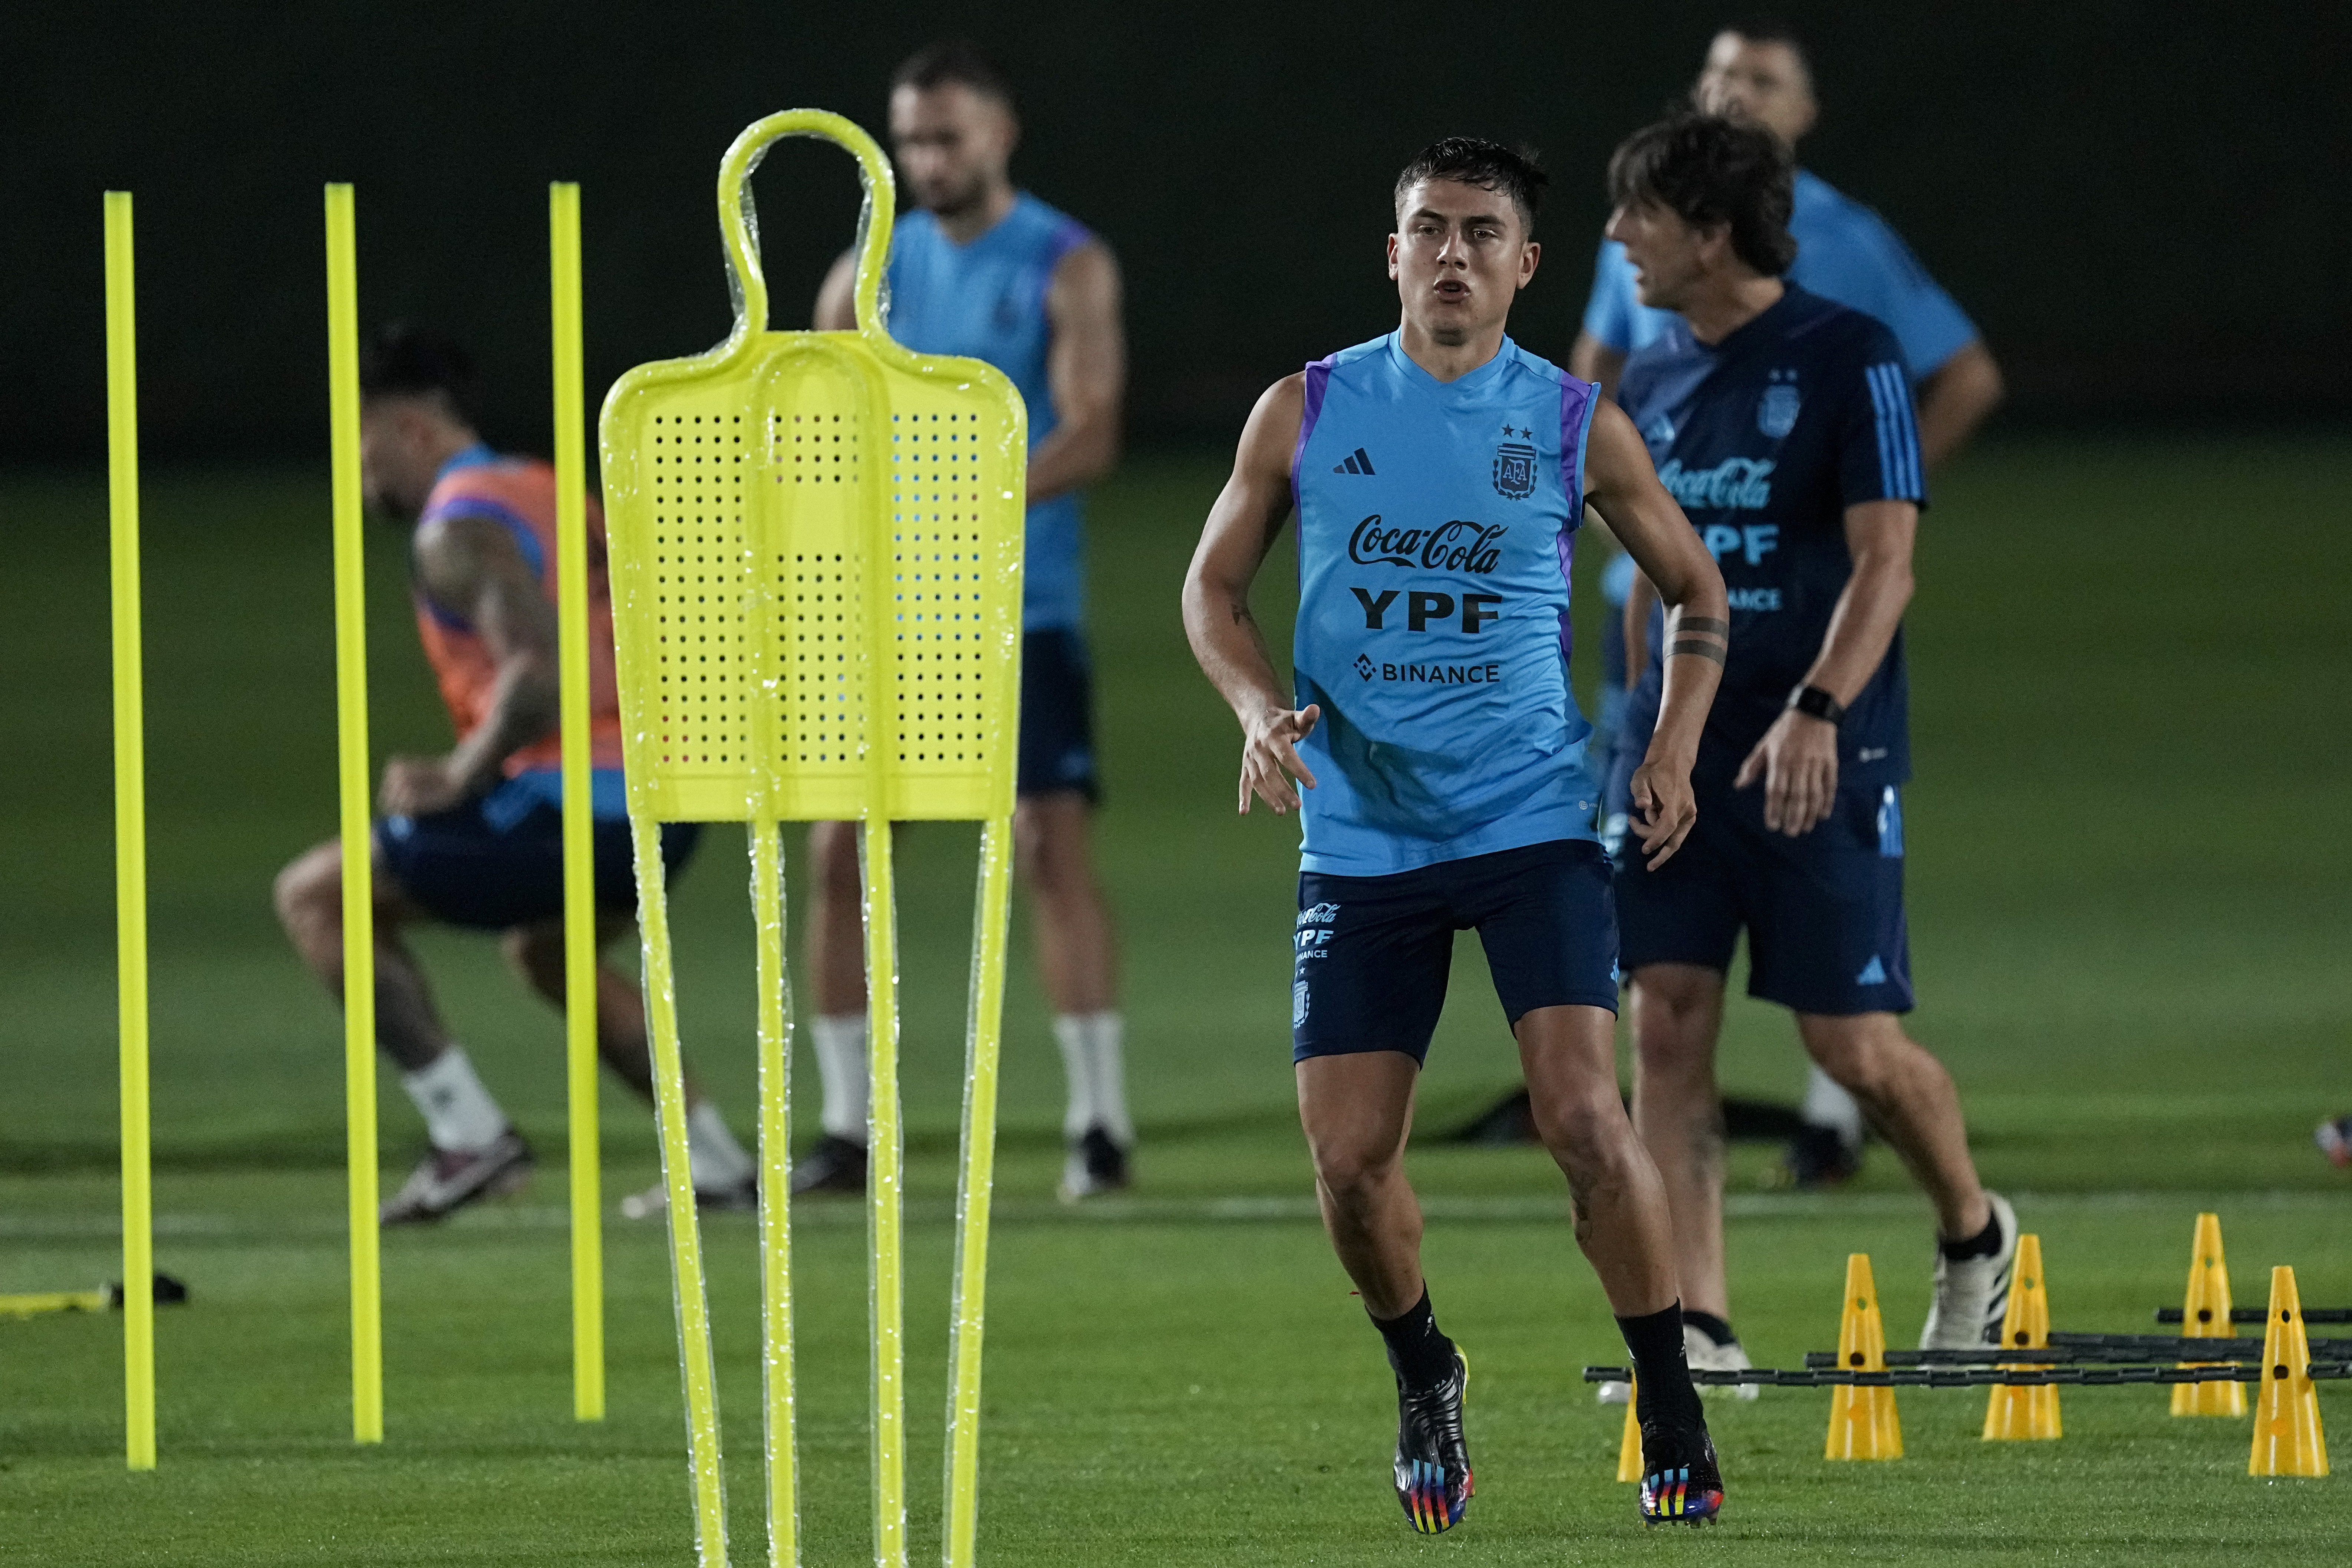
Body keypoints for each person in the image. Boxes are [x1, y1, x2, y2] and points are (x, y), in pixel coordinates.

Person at [1183, 138, 1733, 1530]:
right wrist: (1257, 709)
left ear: (1525, 264)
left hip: (1530, 817)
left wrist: (1668, 750)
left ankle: (1668, 1389)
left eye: (1481, 233)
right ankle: (1425, 1364)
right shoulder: (1305, 409)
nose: (1451, 254)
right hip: (1362, 834)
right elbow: (1211, 587)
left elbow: (1696, 594)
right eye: (1427, 228)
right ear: (1392, 253)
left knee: (1582, 1115)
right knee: (1349, 1163)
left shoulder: (1569, 421)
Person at [1599, 115, 2016, 1394]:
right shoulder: (1649, 376)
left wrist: (1821, 710)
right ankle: (1701, 1323)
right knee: (1665, 1023)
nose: (1616, 238)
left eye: (1640, 215)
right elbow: (1644, 581)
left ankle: (1971, 1231)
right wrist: (1629, 732)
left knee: (1851, 1048)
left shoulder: (1849, 356)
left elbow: (1887, 559)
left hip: (1818, 747)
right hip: (1678, 754)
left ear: (1712, 231)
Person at [273, 326, 757, 1225]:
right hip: (672, 794)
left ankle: (469, 1137)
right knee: (550, 950)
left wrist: (461, 774)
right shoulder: (542, 488)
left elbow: (537, 671)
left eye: (360, 441)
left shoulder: (459, 524)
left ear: (412, 428)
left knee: (318, 896)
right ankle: (715, 1160)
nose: (356, 471)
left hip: (583, 799)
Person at [791, 41, 1132, 1203]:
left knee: (1046, 845)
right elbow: (821, 439)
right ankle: (845, 1126)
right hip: (886, 619)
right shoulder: (859, 278)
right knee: (840, 849)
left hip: (1017, 608)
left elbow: (1091, 430)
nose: (927, 158)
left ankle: (1097, 1119)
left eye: (947, 136)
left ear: (1000, 134)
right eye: (910, 139)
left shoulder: (1064, 263)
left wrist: (965, 497)